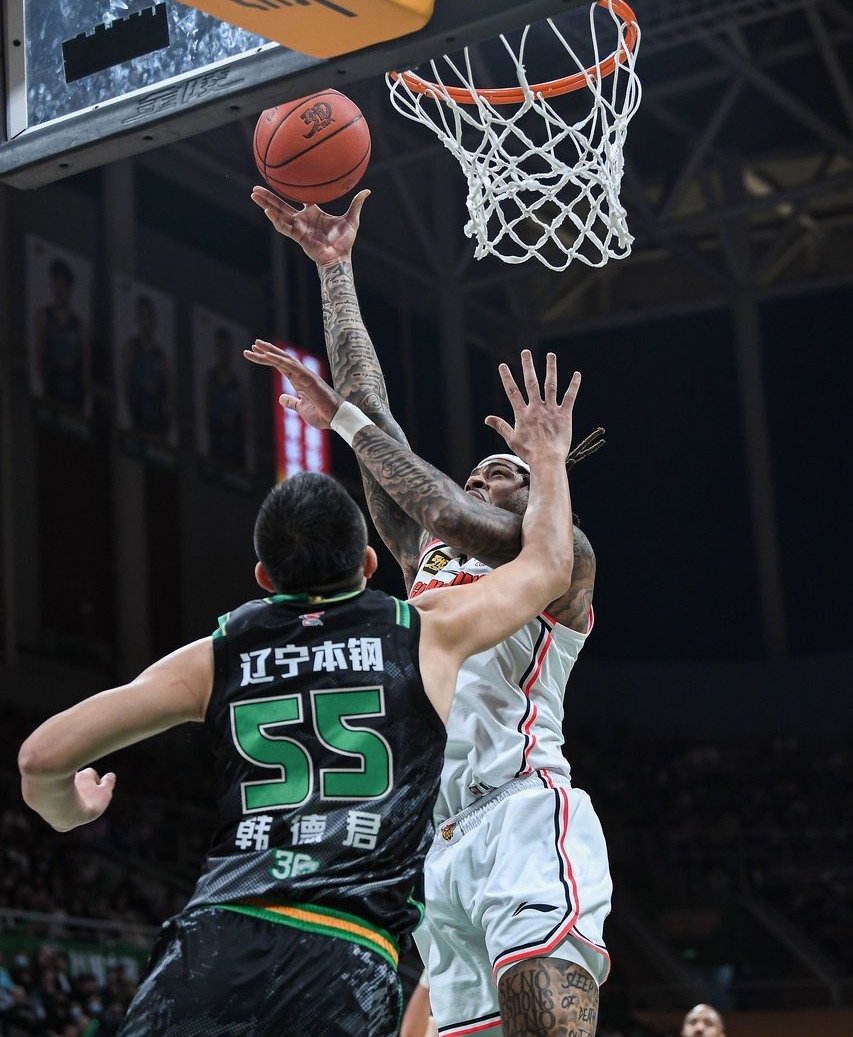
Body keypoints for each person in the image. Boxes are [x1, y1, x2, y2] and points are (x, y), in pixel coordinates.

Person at [19, 348, 582, 1037]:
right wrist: (548, 458)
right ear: (372, 563)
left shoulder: (219, 652)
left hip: (218, 936)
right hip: (342, 948)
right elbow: (548, 561)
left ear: (262, 575)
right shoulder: (421, 631)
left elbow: (40, 757)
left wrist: (70, 808)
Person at [249, 186, 611, 1037]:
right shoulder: (426, 560)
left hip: (521, 808)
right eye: (477, 469)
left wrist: (337, 419)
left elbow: (442, 506)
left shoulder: (561, 559)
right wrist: (334, 270)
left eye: (506, 472)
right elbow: (380, 420)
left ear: (539, 492)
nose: (485, 477)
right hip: (433, 840)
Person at [34, 257, 89, 411]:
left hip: (75, 396)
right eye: (56, 285)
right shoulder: (44, 316)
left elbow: (86, 366)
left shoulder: (79, 325)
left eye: (62, 286)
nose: (59, 291)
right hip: (52, 391)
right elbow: (39, 356)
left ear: (70, 288)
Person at [124, 295, 171, 437]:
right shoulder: (131, 348)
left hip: (158, 420)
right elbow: (126, 384)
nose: (146, 321)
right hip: (138, 417)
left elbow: (169, 393)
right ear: (138, 319)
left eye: (148, 316)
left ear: (153, 319)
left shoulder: (162, 356)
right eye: (142, 316)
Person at [205, 326, 247, 466]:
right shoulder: (210, 379)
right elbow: (206, 411)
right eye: (220, 347)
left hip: (236, 445)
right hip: (217, 443)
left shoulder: (238, 384)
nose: (223, 352)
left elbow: (245, 417)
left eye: (226, 347)